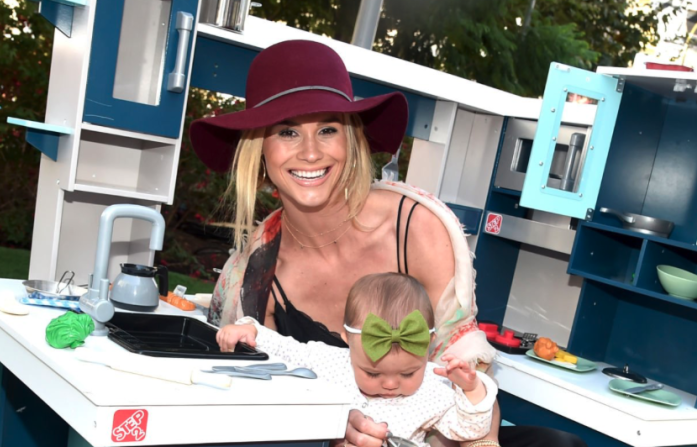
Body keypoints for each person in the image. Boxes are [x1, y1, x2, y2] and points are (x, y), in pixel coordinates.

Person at [190, 39, 587, 447]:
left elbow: (470, 394)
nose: (310, 152)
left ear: (352, 140)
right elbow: (262, 404)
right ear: (259, 148)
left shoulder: (416, 230)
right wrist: (332, 428)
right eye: (287, 132)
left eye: (327, 129)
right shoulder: (257, 271)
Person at [217, 273, 499, 446]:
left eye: (408, 373)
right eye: (373, 374)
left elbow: (468, 430)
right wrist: (252, 330)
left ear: (428, 346)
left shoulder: (433, 385)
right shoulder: (334, 362)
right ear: (348, 341)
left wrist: (472, 390)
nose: (390, 384)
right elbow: (290, 350)